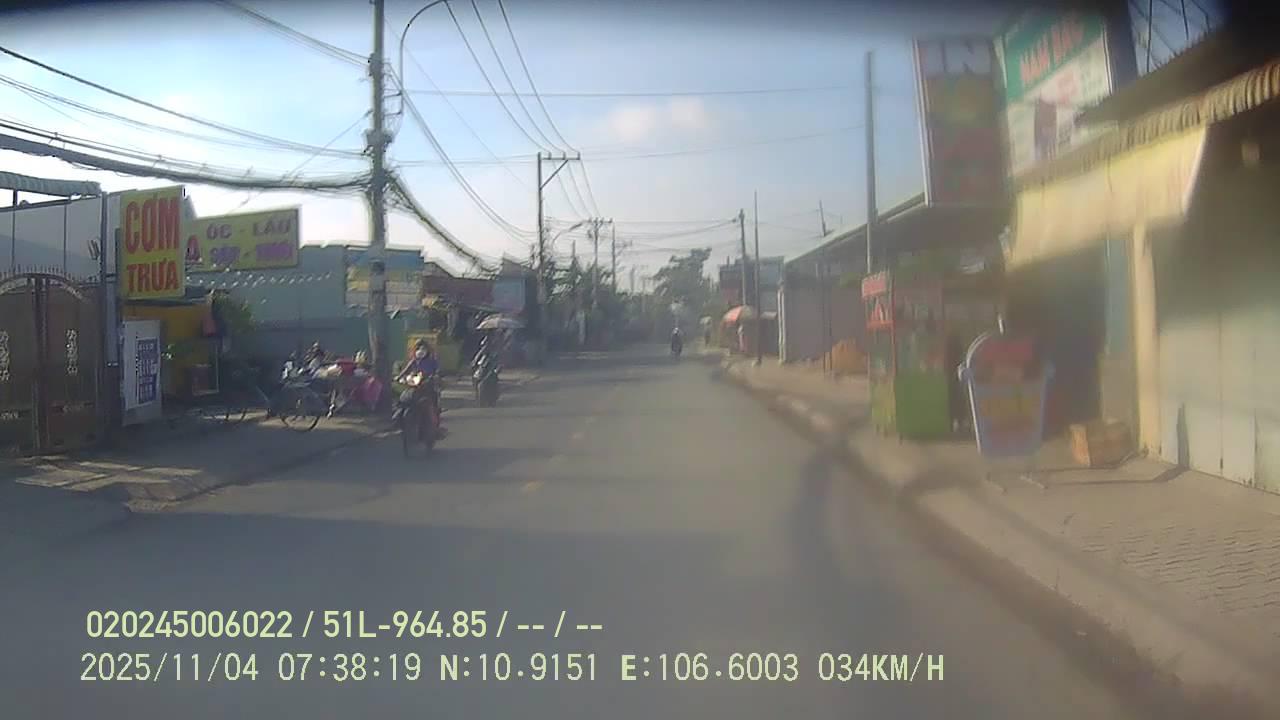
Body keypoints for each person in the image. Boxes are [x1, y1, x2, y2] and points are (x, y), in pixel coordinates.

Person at [396, 339, 446, 436]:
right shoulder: (414, 361)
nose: (421, 351)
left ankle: (434, 427)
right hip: (415, 386)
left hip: (428, 386)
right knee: (403, 400)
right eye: (418, 348)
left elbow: (438, 370)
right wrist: (399, 377)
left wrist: (435, 376)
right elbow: (405, 371)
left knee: (432, 404)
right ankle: (398, 420)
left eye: (423, 349)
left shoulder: (432, 361)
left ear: (427, 350)